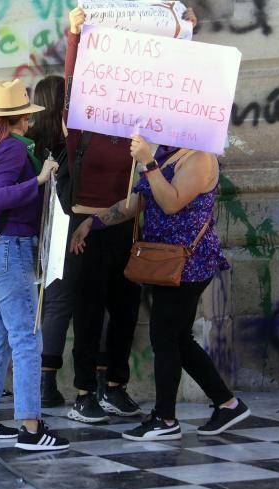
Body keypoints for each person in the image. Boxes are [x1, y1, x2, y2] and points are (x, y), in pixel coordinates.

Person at [62, 7, 197, 423]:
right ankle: (83, 390)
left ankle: (114, 386)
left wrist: (184, 31)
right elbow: (71, 79)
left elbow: (170, 80)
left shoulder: (137, 127)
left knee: (124, 310)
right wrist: (74, 35)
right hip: (85, 227)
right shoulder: (79, 120)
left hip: (126, 225)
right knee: (87, 313)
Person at [70, 135, 250, 440]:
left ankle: (166, 420)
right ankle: (227, 403)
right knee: (179, 339)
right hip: (165, 262)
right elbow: (137, 201)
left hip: (188, 264)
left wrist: (148, 162)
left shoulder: (199, 158)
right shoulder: (171, 155)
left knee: (164, 336)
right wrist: (94, 222)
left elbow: (170, 203)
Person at [0, 78, 69, 452]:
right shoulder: (12, 149)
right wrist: (38, 180)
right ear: (23, 116)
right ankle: (31, 427)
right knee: (26, 339)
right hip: (8, 251)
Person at [25, 75, 69, 408]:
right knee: (59, 302)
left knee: (45, 303)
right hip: (63, 227)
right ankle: (46, 381)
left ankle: (43, 380)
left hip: (30, 229)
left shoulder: (30, 138)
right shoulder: (67, 140)